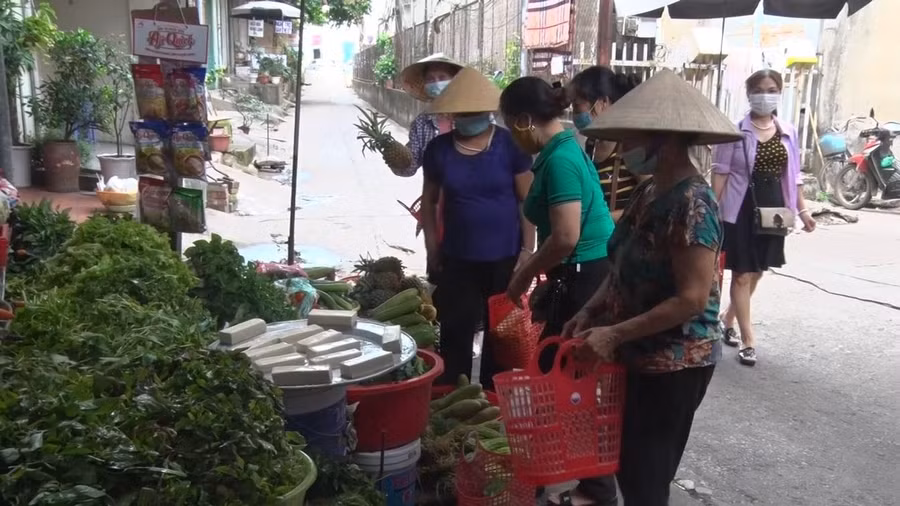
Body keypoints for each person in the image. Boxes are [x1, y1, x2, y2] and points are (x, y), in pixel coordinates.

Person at [564, 69, 739, 506]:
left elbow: (693, 298)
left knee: (646, 475)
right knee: (631, 465)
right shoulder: (649, 193)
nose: (626, 147)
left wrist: (614, 333)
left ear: (664, 139)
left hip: (676, 363)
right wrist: (592, 311)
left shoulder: (693, 203)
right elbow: (621, 266)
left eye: (635, 137)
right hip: (638, 355)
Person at [421, 67, 535, 389]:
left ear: (488, 111)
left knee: (502, 338)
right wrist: (432, 247)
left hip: (505, 260)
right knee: (455, 333)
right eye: (463, 112)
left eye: (476, 111)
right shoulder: (438, 150)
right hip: (456, 258)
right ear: (453, 113)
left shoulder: (511, 145)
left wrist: (528, 251)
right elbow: (428, 202)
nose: (469, 117)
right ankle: (452, 404)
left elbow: (526, 200)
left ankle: (493, 404)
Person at [712, 69, 817, 367]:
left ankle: (728, 317)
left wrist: (803, 211)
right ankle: (748, 341)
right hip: (739, 208)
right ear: (749, 94)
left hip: (774, 207)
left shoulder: (788, 131)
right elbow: (720, 173)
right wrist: (709, 210)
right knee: (742, 273)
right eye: (759, 89)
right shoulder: (734, 131)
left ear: (779, 93)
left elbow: (793, 175)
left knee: (758, 270)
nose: (765, 94)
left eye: (771, 88)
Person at [569, 66, 648, 221]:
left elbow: (652, 202)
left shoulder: (631, 146)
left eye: (577, 106)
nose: (575, 115)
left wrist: (602, 220)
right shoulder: (590, 146)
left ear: (603, 102)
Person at [394, 53, 463, 177]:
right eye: (430, 79)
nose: (436, 83)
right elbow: (411, 165)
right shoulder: (421, 122)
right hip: (435, 192)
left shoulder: (475, 114)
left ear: (455, 81)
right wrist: (398, 159)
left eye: (442, 78)